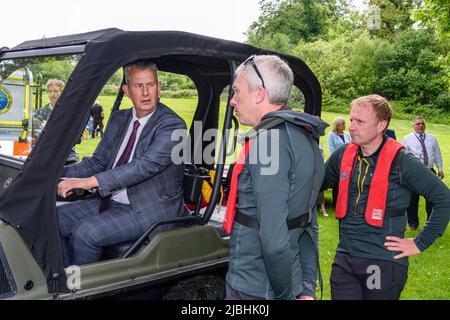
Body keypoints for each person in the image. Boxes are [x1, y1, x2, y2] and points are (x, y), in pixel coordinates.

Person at [56, 60, 186, 266]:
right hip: (109, 199)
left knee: (85, 233)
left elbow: (144, 166)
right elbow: (98, 162)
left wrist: (89, 182)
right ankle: (61, 279)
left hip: (147, 208)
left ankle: (80, 292)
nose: (145, 93)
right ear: (126, 90)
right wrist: (55, 173)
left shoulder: (173, 125)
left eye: (150, 85)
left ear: (159, 88)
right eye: (138, 86)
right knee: (52, 220)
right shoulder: (118, 119)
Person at [322, 94, 450, 300]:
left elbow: (444, 199)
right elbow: (313, 186)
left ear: (381, 125)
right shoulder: (343, 154)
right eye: (351, 119)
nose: (352, 127)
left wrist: (419, 243)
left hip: (382, 262)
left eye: (360, 121)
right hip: (345, 259)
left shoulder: (402, 161)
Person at [223, 55, 328, 300]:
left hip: (254, 288)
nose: (233, 101)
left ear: (259, 94)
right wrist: (306, 288)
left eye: (237, 92)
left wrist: (283, 296)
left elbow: (273, 241)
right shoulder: (307, 138)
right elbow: (308, 224)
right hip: (288, 281)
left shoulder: (267, 143)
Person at [401, 116, 444, 230]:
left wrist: (439, 169)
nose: (421, 126)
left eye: (422, 124)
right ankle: (413, 223)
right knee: (413, 199)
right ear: (413, 126)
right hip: (414, 172)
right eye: (418, 124)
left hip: (429, 171)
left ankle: (431, 222)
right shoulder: (407, 139)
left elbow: (437, 154)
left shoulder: (432, 138)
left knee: (431, 198)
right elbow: (403, 157)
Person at [32, 79, 79, 163]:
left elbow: (76, 138)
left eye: (56, 91)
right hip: (45, 156)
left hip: (68, 158)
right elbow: (37, 137)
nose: (52, 94)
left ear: (63, 93)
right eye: (50, 91)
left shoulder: (71, 113)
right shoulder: (39, 113)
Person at [328, 116, 351, 207]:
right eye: (343, 124)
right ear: (337, 125)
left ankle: (344, 203)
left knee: (345, 183)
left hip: (347, 162)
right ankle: (335, 203)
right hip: (337, 162)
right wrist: (339, 159)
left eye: (344, 123)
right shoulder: (331, 134)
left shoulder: (346, 134)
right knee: (337, 183)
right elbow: (332, 149)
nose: (345, 125)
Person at [317, 140, 328, 216]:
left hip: (318, 166)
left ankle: (322, 208)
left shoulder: (318, 140)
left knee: (320, 187)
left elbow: (322, 152)